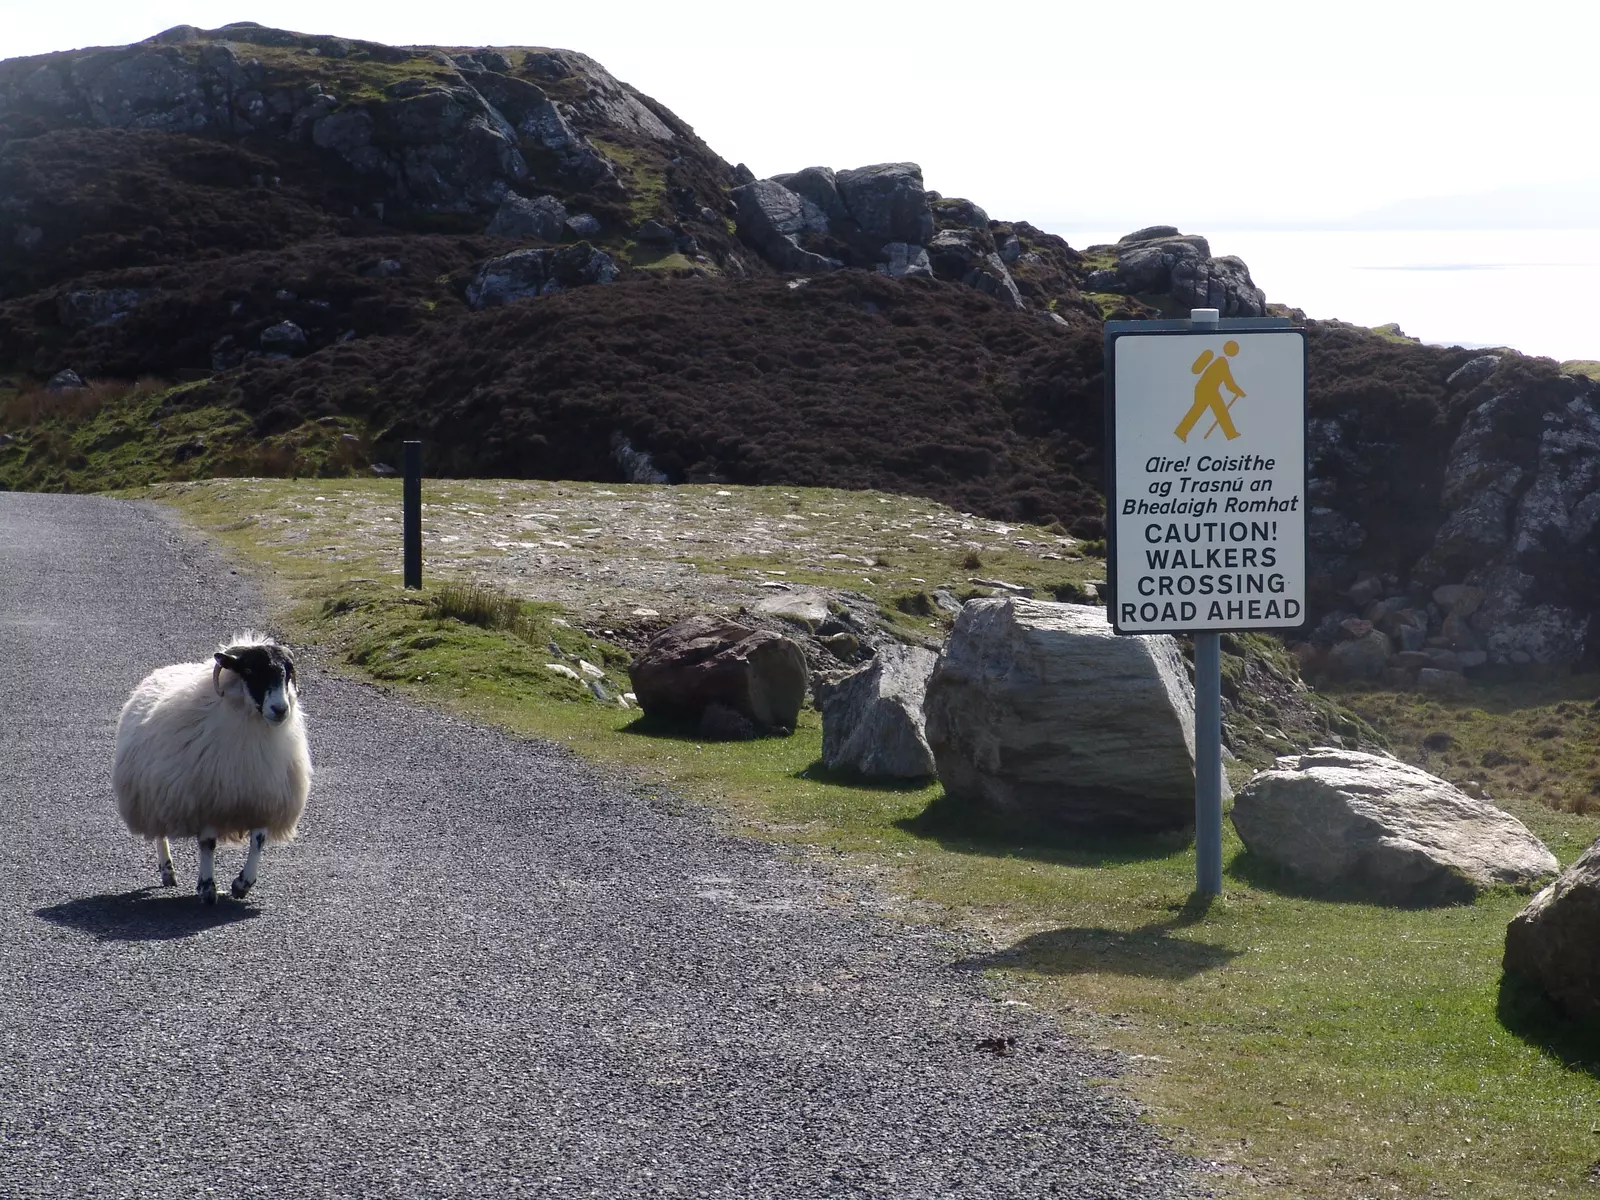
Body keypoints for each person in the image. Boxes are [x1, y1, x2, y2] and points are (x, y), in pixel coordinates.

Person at [1174, 340, 1244, 442]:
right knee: (1207, 410)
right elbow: (1229, 384)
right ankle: (1181, 432)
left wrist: (1239, 392)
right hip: (1206, 389)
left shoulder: (1220, 360)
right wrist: (1242, 394)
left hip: (1207, 389)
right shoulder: (1222, 362)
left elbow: (1229, 384)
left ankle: (1230, 434)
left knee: (1216, 411)